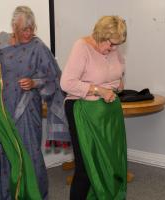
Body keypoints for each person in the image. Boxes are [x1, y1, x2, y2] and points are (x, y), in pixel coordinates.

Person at [0, 1, 69, 199]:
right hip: (0, 110)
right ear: (14, 27)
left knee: (28, 154)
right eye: (25, 29)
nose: (29, 33)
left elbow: (54, 77)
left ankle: (29, 194)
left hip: (26, 111)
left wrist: (34, 82)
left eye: (32, 28)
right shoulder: (1, 40)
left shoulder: (38, 46)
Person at [60, 16, 127, 200]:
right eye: (111, 44)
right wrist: (99, 90)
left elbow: (118, 71)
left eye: (117, 45)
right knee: (87, 166)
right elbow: (66, 83)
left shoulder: (113, 48)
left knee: (110, 163)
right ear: (101, 35)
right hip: (83, 110)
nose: (113, 49)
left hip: (107, 113)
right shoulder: (82, 47)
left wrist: (117, 82)